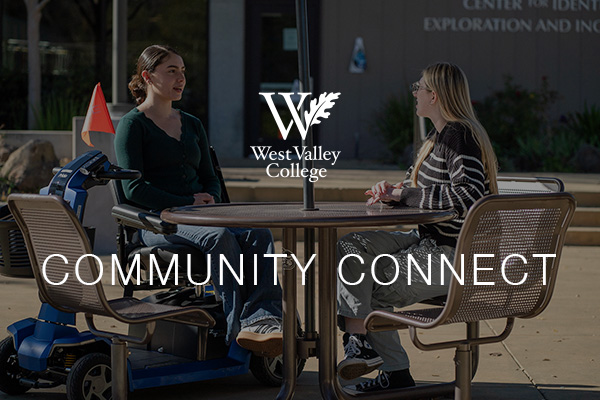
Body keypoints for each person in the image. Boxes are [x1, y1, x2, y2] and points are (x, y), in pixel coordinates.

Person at [336, 62, 498, 393]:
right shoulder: (436, 137)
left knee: (372, 284)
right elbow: (416, 190)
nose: (414, 93)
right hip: (428, 241)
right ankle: (358, 343)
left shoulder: (459, 136)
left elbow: (469, 196)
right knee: (351, 246)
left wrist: (404, 194)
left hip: (456, 255)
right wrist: (392, 191)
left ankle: (392, 369)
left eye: (418, 87)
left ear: (434, 96)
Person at [114, 45, 283, 357]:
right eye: (172, 71)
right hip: (156, 222)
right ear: (148, 76)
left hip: (202, 215)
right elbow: (133, 190)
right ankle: (237, 334)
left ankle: (263, 321)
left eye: (183, 71)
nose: (181, 78)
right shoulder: (131, 126)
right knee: (219, 238)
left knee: (259, 233)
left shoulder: (192, 124)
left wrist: (210, 200)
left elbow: (211, 177)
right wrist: (183, 201)